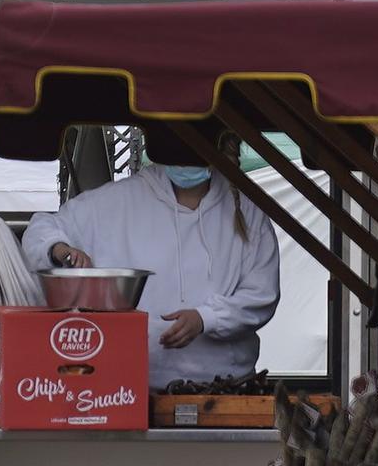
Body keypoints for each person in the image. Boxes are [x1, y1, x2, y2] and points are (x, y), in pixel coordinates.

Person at [21, 149, 280, 390]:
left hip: (225, 386)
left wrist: (206, 319)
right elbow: (41, 227)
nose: (185, 156)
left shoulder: (247, 210)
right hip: (127, 388)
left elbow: (261, 295)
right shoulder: (118, 200)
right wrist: (61, 250)